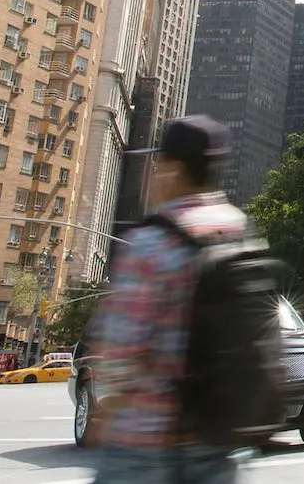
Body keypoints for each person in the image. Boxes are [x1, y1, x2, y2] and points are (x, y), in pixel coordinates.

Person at [86, 114, 247, 484]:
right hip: (216, 436)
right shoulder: (239, 232)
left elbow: (123, 350)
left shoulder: (151, 243)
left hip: (147, 440)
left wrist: (107, 414)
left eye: (159, 164)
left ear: (173, 169)